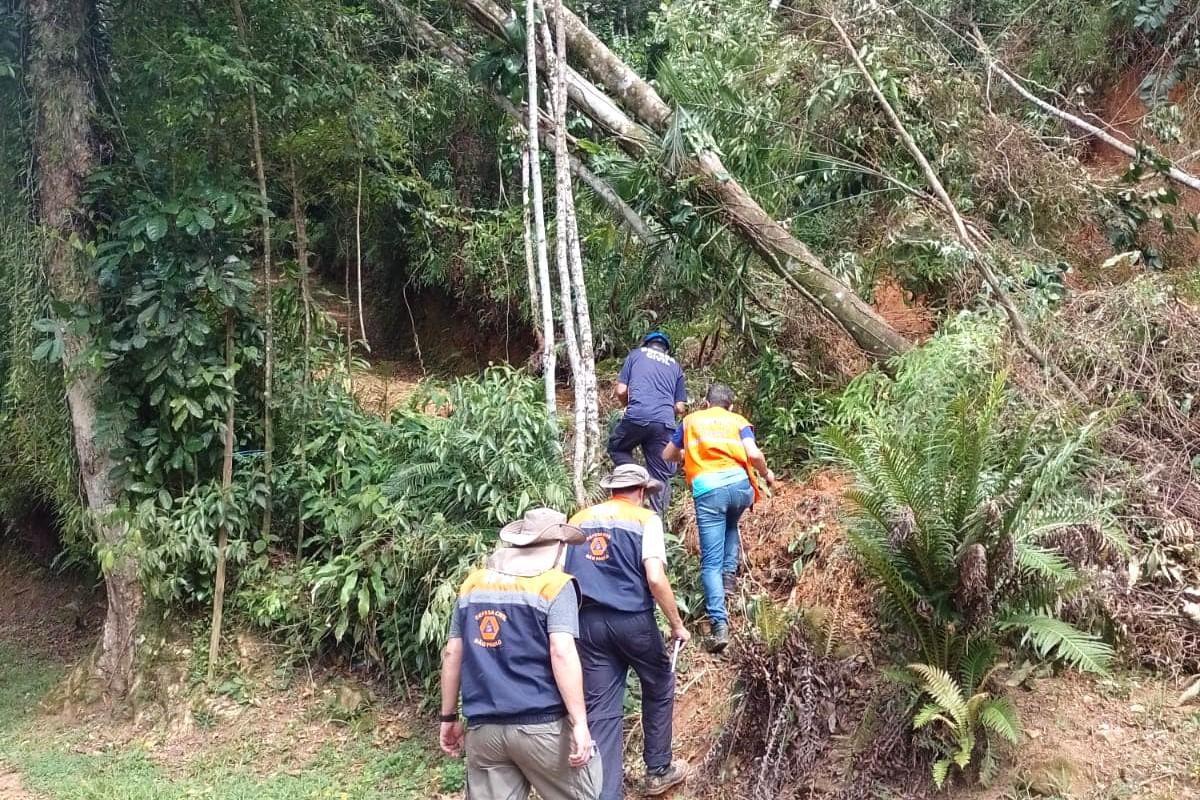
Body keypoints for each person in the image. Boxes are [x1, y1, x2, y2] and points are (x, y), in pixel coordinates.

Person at [439, 507, 602, 800]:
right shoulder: (554, 585)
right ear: (559, 546)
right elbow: (562, 651)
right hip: (543, 727)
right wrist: (580, 723)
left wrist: (447, 717)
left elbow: (452, 653)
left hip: (484, 730)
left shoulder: (473, 585)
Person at [566, 464, 691, 798]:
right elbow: (654, 577)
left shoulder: (578, 520)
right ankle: (658, 769)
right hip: (632, 620)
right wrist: (677, 624)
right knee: (659, 680)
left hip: (586, 625)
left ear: (611, 490)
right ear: (641, 490)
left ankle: (605, 793)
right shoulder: (645, 520)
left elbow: (559, 576)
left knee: (602, 712)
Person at [663, 384, 776, 653]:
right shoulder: (737, 421)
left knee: (709, 563)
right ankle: (730, 583)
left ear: (705, 402)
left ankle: (719, 625)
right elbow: (753, 454)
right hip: (740, 487)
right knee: (731, 525)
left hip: (709, 490)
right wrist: (767, 473)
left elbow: (667, 455)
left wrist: (687, 455)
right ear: (731, 406)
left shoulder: (690, 421)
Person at [608, 331, 687, 515]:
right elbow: (680, 407)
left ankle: (637, 476)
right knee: (661, 474)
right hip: (664, 423)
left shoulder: (636, 355)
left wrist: (630, 405)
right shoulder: (675, 366)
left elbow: (621, 390)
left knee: (617, 448)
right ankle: (657, 526)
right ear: (666, 350)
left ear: (646, 345)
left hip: (637, 415)